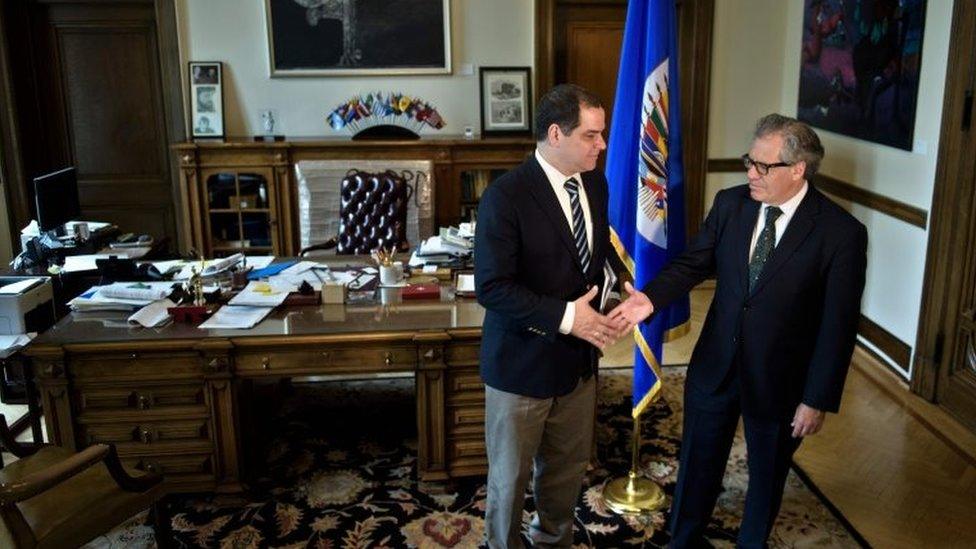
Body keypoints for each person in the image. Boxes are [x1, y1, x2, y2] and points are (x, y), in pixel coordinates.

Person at [609, 114, 867, 548]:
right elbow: (693, 264)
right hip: (715, 366)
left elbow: (838, 325)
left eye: (762, 166)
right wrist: (650, 298)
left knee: (765, 482)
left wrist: (816, 398)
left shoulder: (840, 233)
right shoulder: (732, 205)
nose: (750, 172)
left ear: (798, 169)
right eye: (750, 160)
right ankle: (684, 540)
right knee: (697, 468)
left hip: (781, 382)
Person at [475, 83, 623, 548]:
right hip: (520, 367)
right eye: (592, 135)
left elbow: (596, 254)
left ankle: (552, 542)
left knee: (564, 477)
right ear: (556, 134)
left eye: (602, 134)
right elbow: (492, 288)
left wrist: (621, 287)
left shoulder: (595, 182)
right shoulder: (506, 196)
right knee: (510, 483)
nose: (602, 145)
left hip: (577, 368)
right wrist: (567, 318)